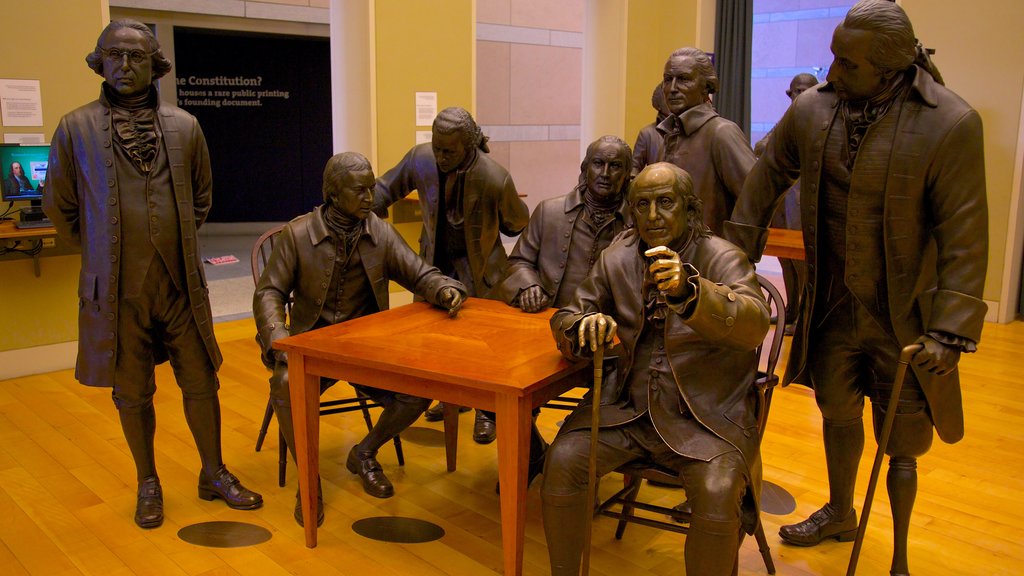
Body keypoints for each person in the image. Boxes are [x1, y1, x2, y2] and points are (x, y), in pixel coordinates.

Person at [724, 2, 988, 574]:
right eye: (833, 57)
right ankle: (842, 512)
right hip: (833, 307)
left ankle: (897, 553)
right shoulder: (814, 112)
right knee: (836, 413)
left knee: (903, 442)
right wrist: (732, 258)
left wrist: (951, 330)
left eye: (848, 63)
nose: (833, 73)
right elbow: (765, 176)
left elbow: (965, 232)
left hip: (907, 318)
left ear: (891, 68)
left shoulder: (950, 123)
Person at [42, 19, 262, 529]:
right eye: (114, 56)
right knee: (132, 390)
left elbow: (202, 196)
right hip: (116, 290)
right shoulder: (74, 128)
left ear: (155, 64)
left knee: (202, 380)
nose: (124, 66)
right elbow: (61, 206)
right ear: (99, 62)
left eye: (136, 57)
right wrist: (103, 251)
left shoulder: (185, 126)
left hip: (181, 282)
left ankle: (214, 471)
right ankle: (148, 481)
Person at [542, 162, 770, 576]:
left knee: (717, 492)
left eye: (665, 203)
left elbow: (755, 322)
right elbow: (570, 313)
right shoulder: (618, 256)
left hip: (707, 417)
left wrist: (690, 291)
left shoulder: (721, 255)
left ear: (690, 209)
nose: (652, 216)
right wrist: (582, 325)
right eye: (642, 205)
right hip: (626, 409)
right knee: (563, 459)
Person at [253, 151, 466, 525]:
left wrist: (444, 289)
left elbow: (418, 273)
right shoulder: (298, 234)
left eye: (371, 189)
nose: (371, 198)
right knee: (285, 385)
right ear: (335, 195)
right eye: (361, 191)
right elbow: (268, 293)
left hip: (365, 349)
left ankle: (365, 452)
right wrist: (279, 338)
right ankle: (309, 481)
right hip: (309, 346)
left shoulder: (377, 230)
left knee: (419, 388)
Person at [373, 106, 530, 444]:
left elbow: (517, 224)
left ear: (469, 145)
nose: (441, 156)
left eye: (450, 150)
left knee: (483, 351)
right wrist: (356, 208)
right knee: (432, 343)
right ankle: (449, 398)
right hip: (433, 265)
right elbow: (384, 188)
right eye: (437, 147)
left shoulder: (493, 177)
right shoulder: (421, 159)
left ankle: (487, 412)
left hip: (481, 272)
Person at [493, 134, 633, 488]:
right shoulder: (550, 211)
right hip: (544, 332)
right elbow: (519, 261)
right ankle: (534, 452)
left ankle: (572, 470)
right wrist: (528, 285)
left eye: (615, 166)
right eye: (597, 164)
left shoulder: (637, 224)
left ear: (628, 174)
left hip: (612, 343)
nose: (604, 173)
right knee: (494, 384)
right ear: (584, 169)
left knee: (610, 401)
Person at [657, 47, 756, 236]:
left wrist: (733, 256)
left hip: (709, 259)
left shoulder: (721, 133)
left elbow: (756, 200)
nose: (673, 88)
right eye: (668, 79)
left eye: (684, 79)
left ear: (706, 86)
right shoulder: (670, 134)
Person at [753, 72, 818, 335]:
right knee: (786, 262)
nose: (799, 97)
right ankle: (791, 310)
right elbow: (761, 146)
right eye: (795, 92)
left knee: (806, 267)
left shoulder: (822, 122)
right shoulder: (788, 121)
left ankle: (804, 318)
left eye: (805, 91)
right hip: (784, 202)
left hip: (807, 205)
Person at [631, 83, 669, 177]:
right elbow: (634, 168)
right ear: (659, 104)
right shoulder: (647, 134)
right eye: (667, 98)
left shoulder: (689, 130)